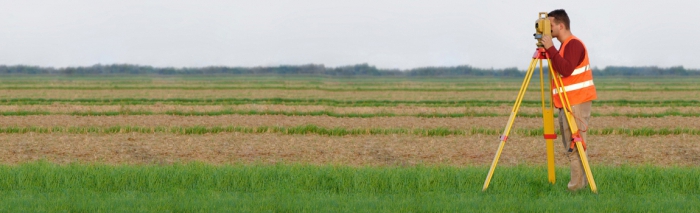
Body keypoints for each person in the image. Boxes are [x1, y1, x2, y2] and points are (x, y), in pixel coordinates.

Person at [541, 9, 597, 191]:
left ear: (561, 25)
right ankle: (580, 185)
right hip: (568, 102)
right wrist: (550, 50)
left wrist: (549, 48)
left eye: (549, 26)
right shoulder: (564, 47)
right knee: (573, 147)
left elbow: (566, 69)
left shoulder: (573, 45)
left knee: (575, 146)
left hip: (576, 103)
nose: (547, 30)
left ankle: (576, 188)